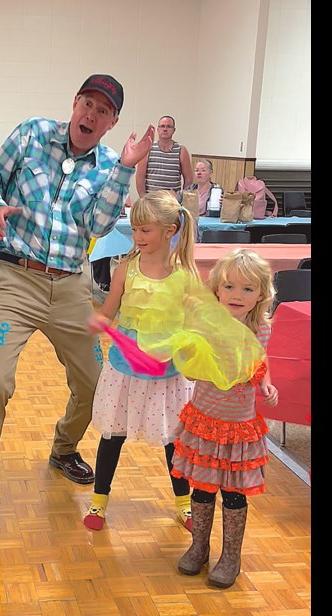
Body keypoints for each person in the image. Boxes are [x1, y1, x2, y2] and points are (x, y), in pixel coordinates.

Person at [0, 73, 157, 531]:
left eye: (102, 110)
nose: (91, 113)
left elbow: (98, 226)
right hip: (16, 278)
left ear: (111, 122)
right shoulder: (32, 134)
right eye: (86, 102)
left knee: (96, 384)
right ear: (74, 103)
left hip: (71, 288)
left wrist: (127, 167)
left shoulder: (111, 164)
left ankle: (64, 447)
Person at [82, 191, 199, 532]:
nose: (137, 238)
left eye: (145, 230)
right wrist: (99, 321)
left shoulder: (185, 275)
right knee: (112, 436)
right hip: (124, 370)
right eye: (135, 230)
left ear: (170, 230)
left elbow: (192, 324)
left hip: (168, 373)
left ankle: (184, 504)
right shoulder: (125, 269)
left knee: (173, 439)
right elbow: (108, 311)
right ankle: (99, 501)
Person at [173, 248, 279, 588]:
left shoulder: (262, 329)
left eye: (247, 289)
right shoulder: (206, 326)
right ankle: (199, 546)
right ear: (217, 289)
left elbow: (259, 364)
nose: (237, 295)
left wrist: (266, 383)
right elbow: (190, 368)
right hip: (205, 424)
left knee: (235, 494)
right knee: (202, 490)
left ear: (261, 294)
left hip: (239, 430)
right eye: (230, 287)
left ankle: (230, 556)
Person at [135, 115, 193, 198]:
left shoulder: (181, 150)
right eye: (162, 126)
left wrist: (183, 198)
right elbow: (140, 177)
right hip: (151, 201)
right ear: (158, 130)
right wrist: (143, 199)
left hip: (172, 203)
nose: (165, 129)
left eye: (169, 126)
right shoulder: (148, 148)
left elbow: (188, 179)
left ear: (174, 130)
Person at [90, 194, 132, 294]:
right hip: (99, 219)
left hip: (121, 218)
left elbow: (129, 203)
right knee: (102, 238)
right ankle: (103, 280)